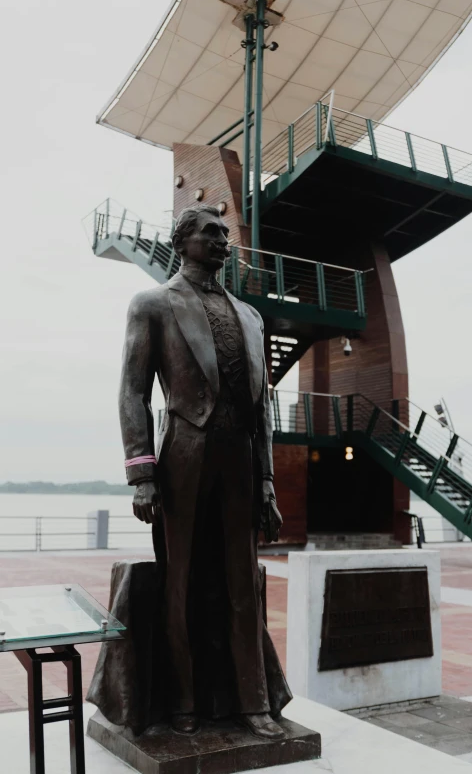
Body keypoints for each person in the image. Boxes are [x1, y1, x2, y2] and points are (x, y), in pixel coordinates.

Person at [119, 204, 291, 739]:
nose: (223, 241)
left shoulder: (251, 315)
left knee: (245, 584)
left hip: (240, 460)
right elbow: (133, 391)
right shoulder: (152, 304)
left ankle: (252, 701)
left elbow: (262, 408)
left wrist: (266, 482)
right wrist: (142, 472)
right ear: (183, 241)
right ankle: (184, 702)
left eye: (225, 234)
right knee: (182, 582)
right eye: (210, 232)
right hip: (183, 457)